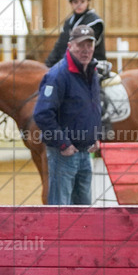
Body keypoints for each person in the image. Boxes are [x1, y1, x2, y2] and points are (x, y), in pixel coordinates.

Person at [33, 24, 102, 205]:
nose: (85, 50)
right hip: (63, 154)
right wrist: (63, 144)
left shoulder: (92, 72)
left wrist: (95, 136)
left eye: (89, 45)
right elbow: (42, 114)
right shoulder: (57, 75)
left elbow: (92, 107)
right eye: (80, 46)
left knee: (84, 209)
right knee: (60, 209)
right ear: (70, 46)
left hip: (85, 153)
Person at [44, 0, 107, 67]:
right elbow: (60, 45)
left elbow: (84, 47)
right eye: (75, 2)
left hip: (93, 64)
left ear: (88, 1)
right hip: (70, 63)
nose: (79, 5)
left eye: (82, 1)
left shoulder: (95, 22)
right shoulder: (69, 22)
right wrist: (48, 65)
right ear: (71, 3)